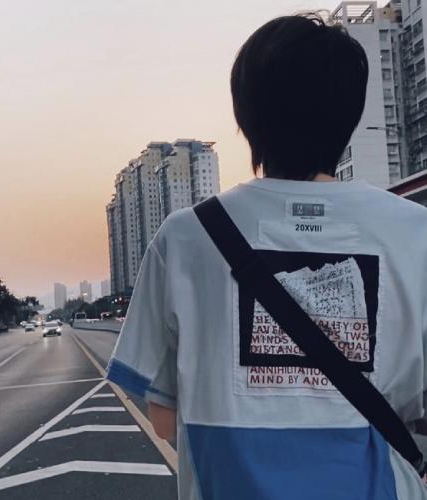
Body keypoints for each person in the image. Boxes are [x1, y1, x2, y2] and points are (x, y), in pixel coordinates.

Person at [107, 13, 427, 499]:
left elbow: (165, 419)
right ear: (350, 114)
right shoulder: (415, 232)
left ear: (246, 115)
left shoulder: (187, 238)